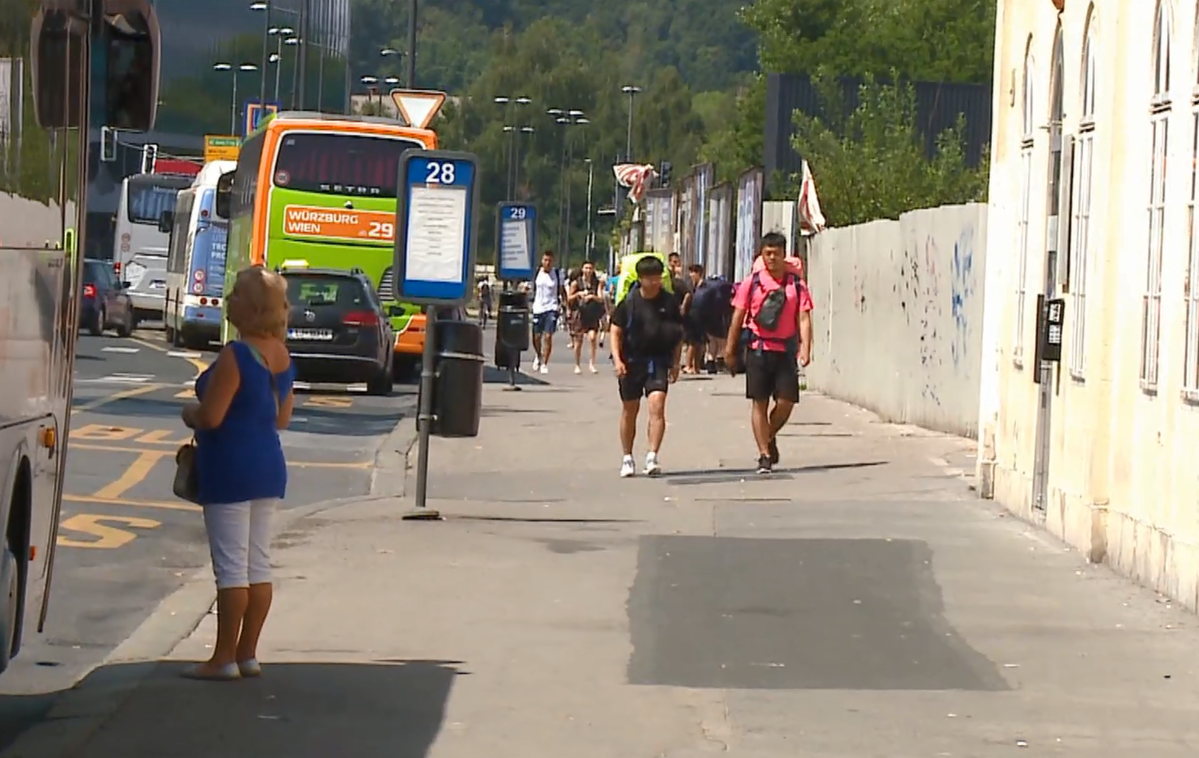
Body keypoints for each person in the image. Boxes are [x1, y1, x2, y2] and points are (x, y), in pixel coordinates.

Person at [180, 266, 296, 680]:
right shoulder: (282, 357)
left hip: (230, 466)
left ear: (249, 308)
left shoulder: (236, 354)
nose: (227, 299)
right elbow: (282, 419)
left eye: (234, 294)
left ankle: (222, 658)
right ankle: (248, 654)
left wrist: (188, 413)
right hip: (268, 465)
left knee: (231, 567)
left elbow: (211, 416)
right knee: (257, 564)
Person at [725, 232, 813, 475]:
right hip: (758, 350)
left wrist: (806, 348)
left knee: (786, 402)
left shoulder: (796, 285)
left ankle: (769, 434)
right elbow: (738, 317)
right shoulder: (751, 283)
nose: (772, 258)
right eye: (767, 254)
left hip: (785, 351)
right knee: (759, 403)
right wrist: (730, 350)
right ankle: (764, 454)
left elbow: (804, 317)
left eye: (776, 253)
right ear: (761, 255)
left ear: (784, 255)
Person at [610, 255, 684, 478]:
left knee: (657, 406)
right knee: (629, 410)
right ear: (640, 278)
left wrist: (676, 362)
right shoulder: (630, 302)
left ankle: (652, 455)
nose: (654, 282)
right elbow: (615, 330)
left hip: (658, 361)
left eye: (657, 277)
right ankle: (627, 457)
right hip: (632, 362)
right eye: (649, 278)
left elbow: (678, 334)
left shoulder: (669, 302)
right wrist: (618, 360)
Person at [530, 250, 565, 374]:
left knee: (548, 336)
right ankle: (538, 355)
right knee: (536, 337)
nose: (547, 263)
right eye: (545, 260)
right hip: (538, 307)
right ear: (542, 261)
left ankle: (545, 362)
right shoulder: (537, 273)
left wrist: (565, 306)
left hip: (552, 307)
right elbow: (530, 287)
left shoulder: (557, 274)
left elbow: (562, 291)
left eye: (550, 260)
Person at [569, 260, 605, 373]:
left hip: (592, 313)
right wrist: (578, 294)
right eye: (586, 268)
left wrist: (592, 297)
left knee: (593, 337)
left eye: (590, 268)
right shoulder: (576, 283)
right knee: (578, 341)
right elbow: (569, 298)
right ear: (582, 269)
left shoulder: (596, 283)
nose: (588, 270)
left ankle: (592, 364)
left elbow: (601, 298)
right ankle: (577, 364)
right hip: (579, 313)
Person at [683, 264, 707, 373]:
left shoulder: (704, 285)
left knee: (699, 343)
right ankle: (689, 365)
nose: (691, 275)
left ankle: (695, 366)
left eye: (693, 272)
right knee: (692, 342)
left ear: (699, 273)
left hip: (700, 316)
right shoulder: (690, 285)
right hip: (691, 316)